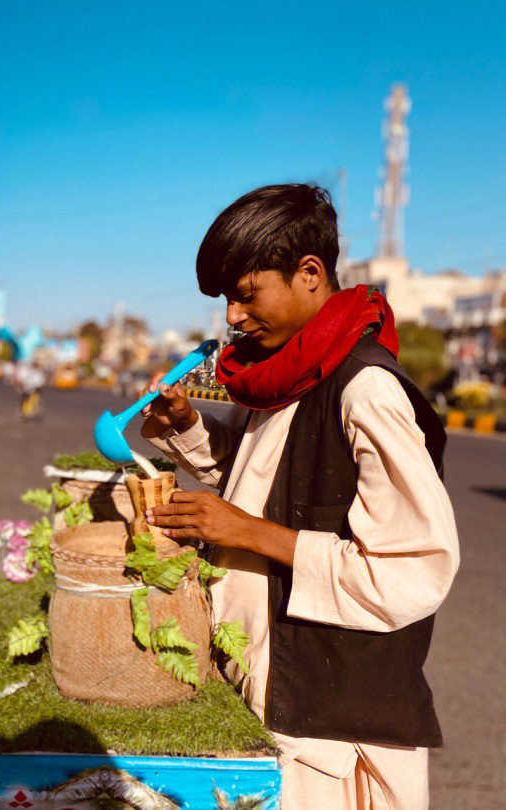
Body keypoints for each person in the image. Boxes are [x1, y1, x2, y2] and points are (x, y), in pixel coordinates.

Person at [137, 184, 458, 810]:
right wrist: (185, 427)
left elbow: (412, 568)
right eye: (226, 299)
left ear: (309, 273)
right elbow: (268, 483)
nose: (231, 315)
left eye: (246, 293)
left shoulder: (366, 392)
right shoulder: (292, 372)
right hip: (272, 699)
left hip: (331, 736)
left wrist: (245, 532)